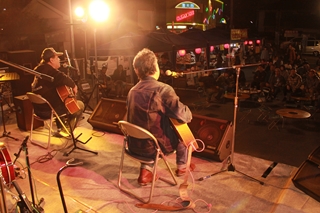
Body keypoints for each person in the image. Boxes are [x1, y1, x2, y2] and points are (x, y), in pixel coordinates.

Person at [126, 48, 193, 185]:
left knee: (145, 129)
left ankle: (146, 171)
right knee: (181, 129)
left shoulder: (132, 91)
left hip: (133, 145)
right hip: (154, 147)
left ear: (137, 70)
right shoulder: (162, 89)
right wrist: (189, 113)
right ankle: (182, 166)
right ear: (155, 67)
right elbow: (182, 116)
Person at [31, 47, 84, 135]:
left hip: (37, 110)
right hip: (47, 111)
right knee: (79, 105)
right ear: (51, 60)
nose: (59, 59)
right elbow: (64, 78)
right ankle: (66, 130)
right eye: (57, 57)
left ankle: (61, 127)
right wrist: (74, 86)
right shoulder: (50, 71)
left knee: (59, 100)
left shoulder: (39, 70)